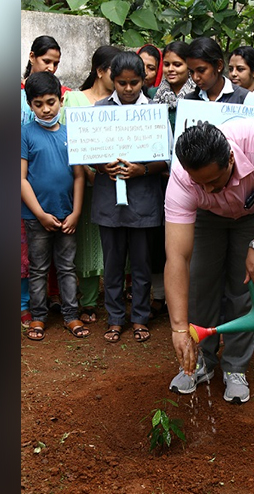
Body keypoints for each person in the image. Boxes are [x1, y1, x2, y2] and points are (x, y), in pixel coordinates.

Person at [165, 120, 254, 404]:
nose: (208, 189)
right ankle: (199, 362)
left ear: (230, 158)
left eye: (214, 181)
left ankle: (236, 367)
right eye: (199, 183)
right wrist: (178, 327)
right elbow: (177, 257)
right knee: (200, 281)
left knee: (246, 286)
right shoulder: (182, 177)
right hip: (207, 217)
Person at [91, 52, 170, 344]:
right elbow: (86, 151)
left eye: (134, 83)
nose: (127, 89)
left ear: (143, 80)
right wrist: (102, 166)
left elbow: (167, 157)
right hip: (108, 199)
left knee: (141, 263)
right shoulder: (99, 110)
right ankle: (114, 319)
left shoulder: (155, 112)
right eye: (121, 83)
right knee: (112, 264)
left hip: (143, 199)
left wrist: (142, 169)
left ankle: (139, 317)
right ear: (112, 80)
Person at [20, 72, 89, 340]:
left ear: (61, 100)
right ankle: (38, 316)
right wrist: (40, 214)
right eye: (38, 104)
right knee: (38, 268)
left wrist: (77, 212)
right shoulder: (25, 134)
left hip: (67, 214)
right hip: (36, 217)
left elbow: (80, 176)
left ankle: (71, 315)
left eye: (51, 102)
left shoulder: (72, 134)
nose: (46, 109)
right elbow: (21, 179)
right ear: (30, 105)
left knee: (67, 266)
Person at [58, 45, 122, 325]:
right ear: (100, 71)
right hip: (83, 184)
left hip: (116, 183)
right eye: (114, 71)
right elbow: (66, 141)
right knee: (85, 241)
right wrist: (87, 171)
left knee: (113, 241)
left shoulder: (122, 102)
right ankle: (88, 301)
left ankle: (116, 296)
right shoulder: (73, 100)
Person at [21, 35, 63, 328]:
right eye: (47, 61)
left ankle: (54, 298)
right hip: (22, 179)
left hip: (47, 189)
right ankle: (25, 304)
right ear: (32, 56)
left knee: (52, 250)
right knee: (24, 250)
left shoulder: (59, 97)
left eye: (56, 63)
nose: (51, 67)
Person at [183, 37, 254, 105]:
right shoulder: (189, 101)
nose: (195, 77)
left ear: (219, 65)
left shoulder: (245, 99)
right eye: (191, 72)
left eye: (201, 70)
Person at [153, 41, 196, 130]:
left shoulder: (199, 94)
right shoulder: (153, 93)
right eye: (166, 65)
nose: (170, 69)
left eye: (177, 65)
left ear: (189, 66)